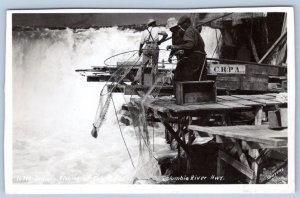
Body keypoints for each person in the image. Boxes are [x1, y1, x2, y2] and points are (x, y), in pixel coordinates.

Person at [167, 15, 208, 82]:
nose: (181, 27)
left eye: (181, 25)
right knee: (195, 79)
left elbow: (190, 45)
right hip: (201, 58)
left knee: (179, 77)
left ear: (186, 23)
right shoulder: (193, 29)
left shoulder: (188, 31)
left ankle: (181, 91)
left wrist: (175, 47)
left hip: (194, 59)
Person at [133, 19, 168, 84]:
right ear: (153, 24)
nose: (156, 24)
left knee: (143, 65)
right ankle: (155, 81)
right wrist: (160, 41)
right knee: (154, 64)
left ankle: (136, 79)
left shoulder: (145, 31)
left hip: (146, 47)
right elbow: (166, 34)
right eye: (155, 23)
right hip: (154, 47)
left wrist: (140, 51)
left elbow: (141, 43)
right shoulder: (157, 29)